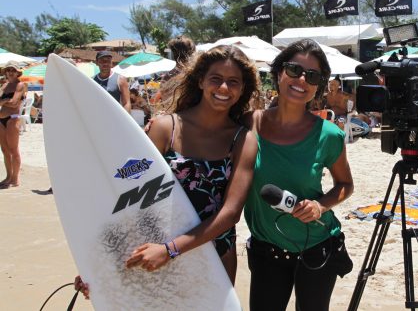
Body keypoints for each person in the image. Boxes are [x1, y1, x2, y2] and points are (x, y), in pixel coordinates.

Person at [75, 45, 260, 298]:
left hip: (214, 253)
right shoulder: (165, 129)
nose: (224, 88)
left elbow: (230, 214)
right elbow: (131, 195)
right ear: (200, 81)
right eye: (216, 79)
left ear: (242, 89)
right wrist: (100, 265)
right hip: (157, 249)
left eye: (233, 82)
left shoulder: (243, 139)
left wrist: (171, 249)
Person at [243, 39, 354, 311]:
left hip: (317, 247)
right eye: (294, 70)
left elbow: (345, 184)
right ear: (279, 72)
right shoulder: (248, 124)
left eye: (312, 76)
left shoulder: (329, 135)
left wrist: (320, 205)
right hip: (266, 249)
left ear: (318, 86)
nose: (302, 79)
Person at [0, 62, 28, 189]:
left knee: (13, 150)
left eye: (13, 70)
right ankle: (8, 176)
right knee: (5, 150)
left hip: (12, 119)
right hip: (1, 120)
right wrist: (6, 101)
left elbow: (14, 102)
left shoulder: (20, 85)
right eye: (8, 70)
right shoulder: (5, 85)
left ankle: (15, 178)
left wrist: (4, 101)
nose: (10, 72)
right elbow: (9, 102)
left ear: (17, 72)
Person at [156, 36, 196, 111]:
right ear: (192, 52)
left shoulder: (167, 77)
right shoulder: (197, 73)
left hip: (173, 117)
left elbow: (163, 100)